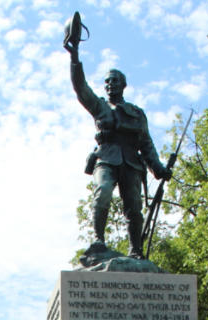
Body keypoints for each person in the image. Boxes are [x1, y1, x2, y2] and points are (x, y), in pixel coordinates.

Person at [65, 36, 171, 259]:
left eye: (114, 81)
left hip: (132, 161)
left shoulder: (137, 113)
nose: (110, 85)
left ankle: (136, 250)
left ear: (123, 85)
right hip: (106, 158)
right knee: (102, 192)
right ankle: (98, 240)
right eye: (107, 82)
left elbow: (147, 144)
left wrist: (158, 168)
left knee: (134, 207)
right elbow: (80, 87)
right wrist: (74, 56)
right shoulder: (100, 107)